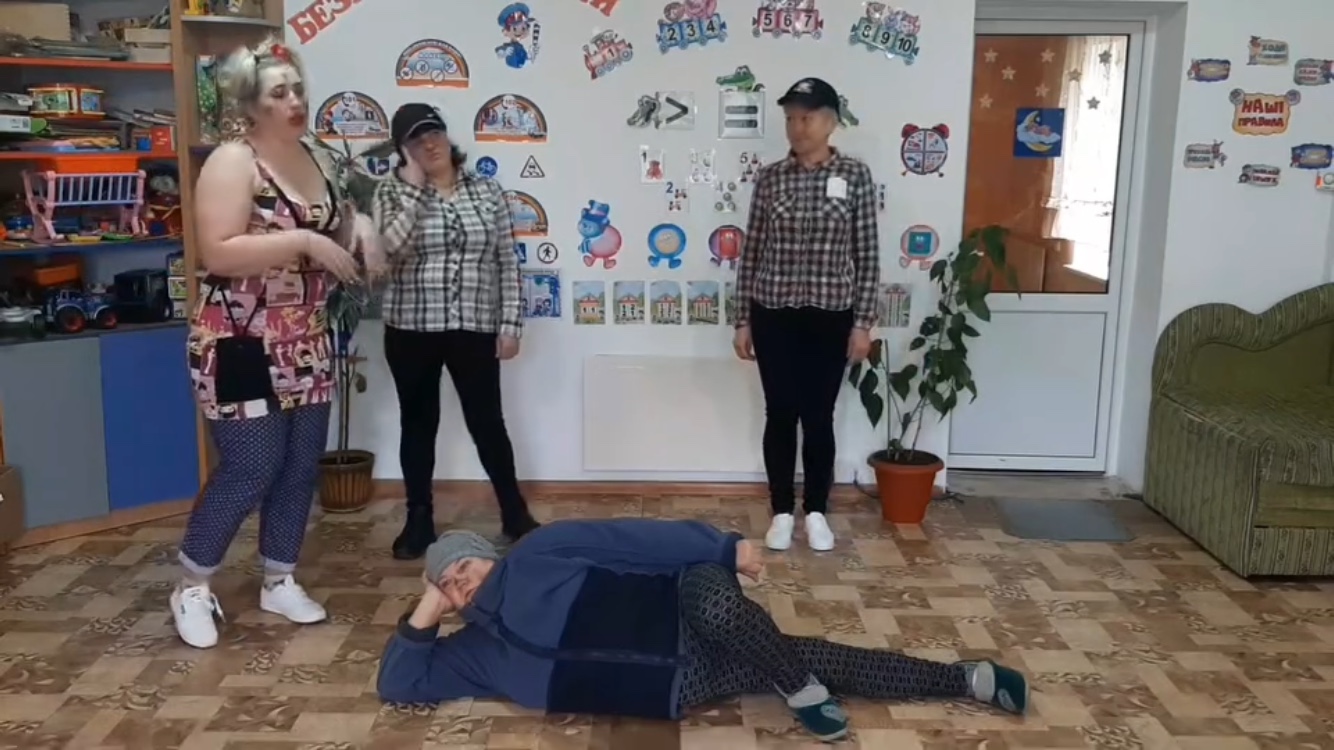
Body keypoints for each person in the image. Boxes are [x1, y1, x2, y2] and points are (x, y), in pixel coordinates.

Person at [377, 519, 1028, 742]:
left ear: (489, 555)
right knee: (812, 659)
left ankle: (799, 687)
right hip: (682, 682)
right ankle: (967, 679)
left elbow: (634, 540)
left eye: (465, 568)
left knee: (729, 618)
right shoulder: (475, 655)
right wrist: (428, 607)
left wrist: (722, 549)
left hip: (687, 597)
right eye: (449, 586)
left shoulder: (536, 554)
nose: (463, 586)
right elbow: (398, 682)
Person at [177, 36, 383, 648]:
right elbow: (218, 252)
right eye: (279, 93)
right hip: (238, 342)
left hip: (307, 341)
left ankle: (279, 578)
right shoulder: (233, 162)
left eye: (298, 90)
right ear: (250, 105)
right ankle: (192, 585)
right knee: (252, 467)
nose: (295, 101)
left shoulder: (315, 158)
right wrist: (304, 242)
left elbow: (340, 218)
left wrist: (361, 228)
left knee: (297, 469)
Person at [372, 103, 539, 561]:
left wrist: (510, 325)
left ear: (446, 136)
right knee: (418, 423)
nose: (429, 144)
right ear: (402, 150)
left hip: (474, 325)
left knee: (488, 421)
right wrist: (415, 189)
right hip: (411, 327)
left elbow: (505, 261)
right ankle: (418, 519)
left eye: (435, 132)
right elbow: (389, 250)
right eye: (416, 139)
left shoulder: (486, 190)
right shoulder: (390, 192)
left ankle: (514, 512)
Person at [732, 77, 881, 554]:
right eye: (791, 118)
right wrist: (742, 319)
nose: (798, 127)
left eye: (807, 117)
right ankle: (781, 511)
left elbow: (867, 255)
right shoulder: (771, 177)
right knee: (780, 412)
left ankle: (816, 511)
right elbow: (752, 252)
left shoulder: (855, 176)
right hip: (773, 312)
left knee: (818, 415)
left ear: (831, 122)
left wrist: (863, 324)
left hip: (830, 314)